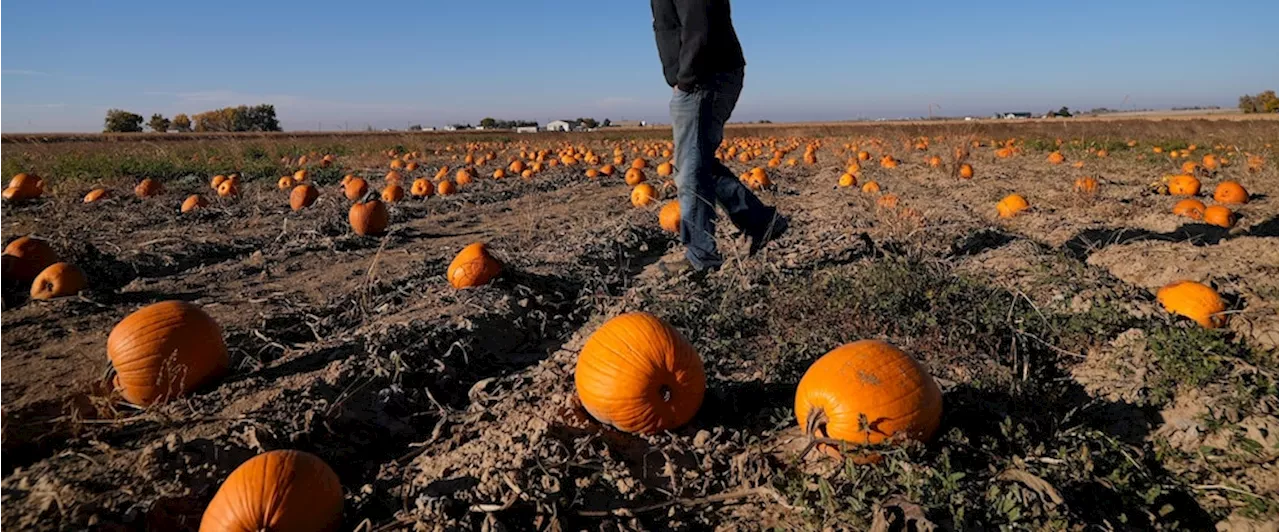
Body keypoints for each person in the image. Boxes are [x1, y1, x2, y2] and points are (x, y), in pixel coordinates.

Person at [651, 0, 786, 275]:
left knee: (690, 169)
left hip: (704, 77)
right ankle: (761, 222)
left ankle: (701, 256)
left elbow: (698, 22)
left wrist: (686, 78)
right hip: (705, 75)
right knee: (698, 162)